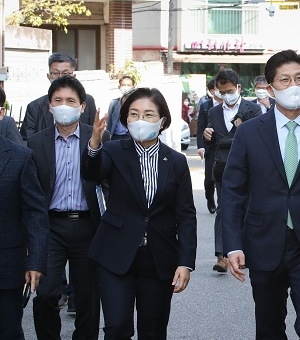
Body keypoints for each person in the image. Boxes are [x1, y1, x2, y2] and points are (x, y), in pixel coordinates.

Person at [221, 50, 300, 339]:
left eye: (299, 79)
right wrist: (232, 245)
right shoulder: (250, 133)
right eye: (285, 80)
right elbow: (233, 192)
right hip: (264, 243)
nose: (293, 85)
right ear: (270, 88)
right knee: (269, 325)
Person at [82, 87, 198, 339]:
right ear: (125, 120)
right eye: (133, 114)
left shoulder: (176, 161)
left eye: (148, 114)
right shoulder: (113, 150)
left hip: (158, 257)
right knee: (117, 326)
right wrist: (94, 143)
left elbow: (186, 215)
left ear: (162, 121)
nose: (140, 120)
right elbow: (92, 174)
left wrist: (185, 262)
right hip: (115, 253)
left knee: (153, 329)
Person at [28, 75, 106, 340]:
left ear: (82, 107)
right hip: (51, 227)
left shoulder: (95, 136)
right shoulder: (37, 142)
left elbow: (104, 179)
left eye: (70, 101)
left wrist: (96, 143)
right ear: (49, 105)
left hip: (88, 225)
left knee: (87, 297)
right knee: (47, 293)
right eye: (58, 100)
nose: (64, 105)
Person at [203, 69, 261, 273]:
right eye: (221, 92)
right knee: (223, 209)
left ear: (238, 88)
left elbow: (257, 140)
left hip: (248, 168)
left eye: (229, 90)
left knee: (247, 207)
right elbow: (211, 141)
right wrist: (206, 135)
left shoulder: (252, 109)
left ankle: (244, 249)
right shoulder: (214, 112)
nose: (225, 95)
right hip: (222, 168)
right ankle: (221, 255)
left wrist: (242, 128)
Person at [0, 135, 48, 340]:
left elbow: (34, 213)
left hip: (6, 267)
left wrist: (35, 261)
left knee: (8, 331)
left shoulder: (20, 157)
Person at [20, 52, 97, 142]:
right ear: (48, 76)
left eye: (65, 73)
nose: (60, 78)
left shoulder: (87, 101)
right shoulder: (34, 107)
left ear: (74, 76)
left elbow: (94, 134)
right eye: (56, 73)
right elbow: (27, 142)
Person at [196, 79, 222, 214]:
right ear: (212, 91)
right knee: (209, 179)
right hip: (210, 148)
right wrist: (201, 146)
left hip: (224, 147)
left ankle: (221, 203)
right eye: (217, 89)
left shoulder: (228, 105)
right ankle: (210, 199)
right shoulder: (205, 106)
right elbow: (200, 128)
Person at [107, 75, 136, 140]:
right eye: (123, 85)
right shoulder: (114, 103)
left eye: (128, 85)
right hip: (115, 137)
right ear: (119, 87)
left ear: (133, 87)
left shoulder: (136, 104)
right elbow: (109, 123)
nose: (126, 87)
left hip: (129, 137)